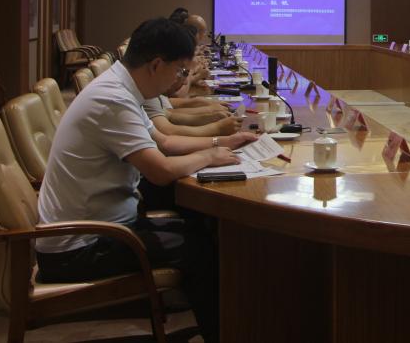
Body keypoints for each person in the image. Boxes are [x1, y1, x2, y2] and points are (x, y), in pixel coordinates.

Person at [35, 18, 257, 342]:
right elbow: (160, 170)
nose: (180, 80)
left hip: (102, 226)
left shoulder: (122, 87)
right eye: (180, 71)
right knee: (201, 251)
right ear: (156, 65)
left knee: (201, 228)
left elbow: (163, 142)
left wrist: (225, 142)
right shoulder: (113, 98)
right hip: (79, 247)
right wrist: (210, 156)